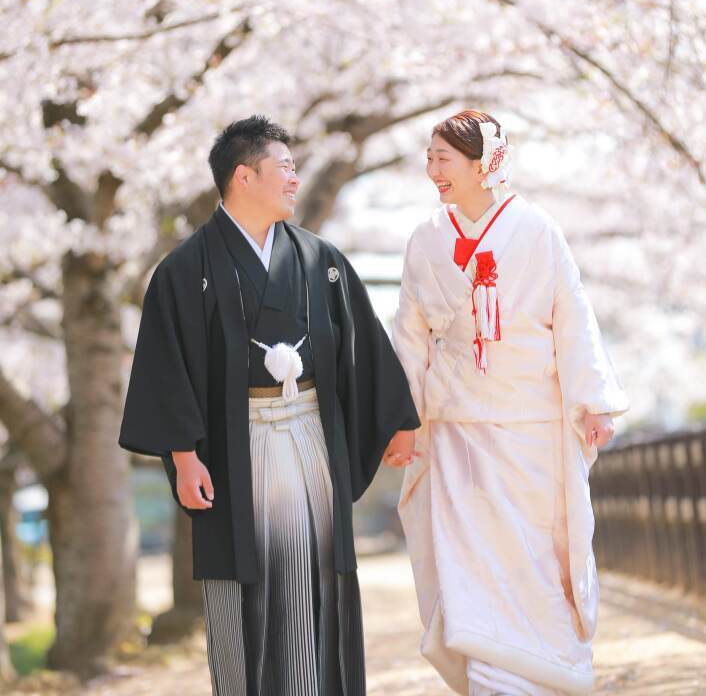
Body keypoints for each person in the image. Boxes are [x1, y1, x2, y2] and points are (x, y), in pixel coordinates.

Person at [119, 115, 419, 696]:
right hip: (237, 447)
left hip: (308, 435)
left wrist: (398, 421)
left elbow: (363, 342)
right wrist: (183, 456)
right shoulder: (184, 271)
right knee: (242, 590)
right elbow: (167, 365)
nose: (294, 179)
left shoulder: (318, 260)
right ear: (243, 176)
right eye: (284, 167)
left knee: (318, 578)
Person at [389, 109, 629, 696]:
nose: (431, 169)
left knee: (536, 554)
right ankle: (492, 682)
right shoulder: (426, 239)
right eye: (429, 157)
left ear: (481, 163)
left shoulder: (538, 229)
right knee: (468, 558)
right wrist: (403, 421)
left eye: (442, 158)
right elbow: (409, 335)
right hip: (455, 427)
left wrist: (592, 401)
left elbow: (572, 315)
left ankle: (548, 673)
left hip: (532, 423)